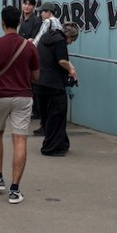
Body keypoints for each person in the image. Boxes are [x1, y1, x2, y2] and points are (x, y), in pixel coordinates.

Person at [0, 5, 39, 204]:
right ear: (19, 22)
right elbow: (36, 76)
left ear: (2, 23)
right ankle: (15, 189)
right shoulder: (29, 47)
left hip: (0, 95)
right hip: (23, 96)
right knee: (20, 140)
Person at [33, 10, 77, 156]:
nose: (70, 43)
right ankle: (51, 147)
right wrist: (71, 70)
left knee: (47, 116)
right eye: (71, 40)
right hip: (53, 84)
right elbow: (62, 61)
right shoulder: (60, 41)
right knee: (57, 115)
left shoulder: (46, 37)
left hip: (39, 82)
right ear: (68, 37)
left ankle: (61, 143)